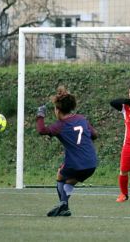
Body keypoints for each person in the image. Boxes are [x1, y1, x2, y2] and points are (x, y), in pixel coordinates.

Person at [36, 86, 98, 216]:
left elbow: (42, 130)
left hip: (75, 162)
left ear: (57, 110)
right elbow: (94, 134)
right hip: (92, 163)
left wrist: (40, 115)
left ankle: (63, 204)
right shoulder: (81, 119)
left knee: (60, 175)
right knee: (69, 182)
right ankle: (64, 207)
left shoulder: (60, 125)